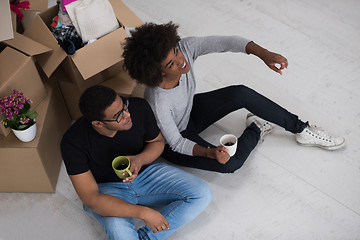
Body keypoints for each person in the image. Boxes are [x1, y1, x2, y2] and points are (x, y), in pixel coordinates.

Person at [122, 22, 345, 173]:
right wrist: (209, 152)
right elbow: (177, 142)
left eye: (176, 52)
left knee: (240, 92)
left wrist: (264, 54)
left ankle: (301, 130)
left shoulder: (186, 49)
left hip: (189, 112)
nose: (181, 60)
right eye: (171, 63)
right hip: (175, 141)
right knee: (231, 163)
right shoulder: (158, 101)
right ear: (157, 72)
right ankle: (256, 128)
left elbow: (226, 42)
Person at [60, 85, 212, 240]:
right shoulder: (73, 143)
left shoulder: (138, 107)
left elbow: (157, 141)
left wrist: (140, 160)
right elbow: (92, 199)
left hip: (147, 173)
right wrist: (144, 213)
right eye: (118, 115)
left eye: (124, 105)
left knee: (202, 194)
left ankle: (146, 237)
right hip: (108, 190)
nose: (127, 114)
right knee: (119, 232)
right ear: (98, 123)